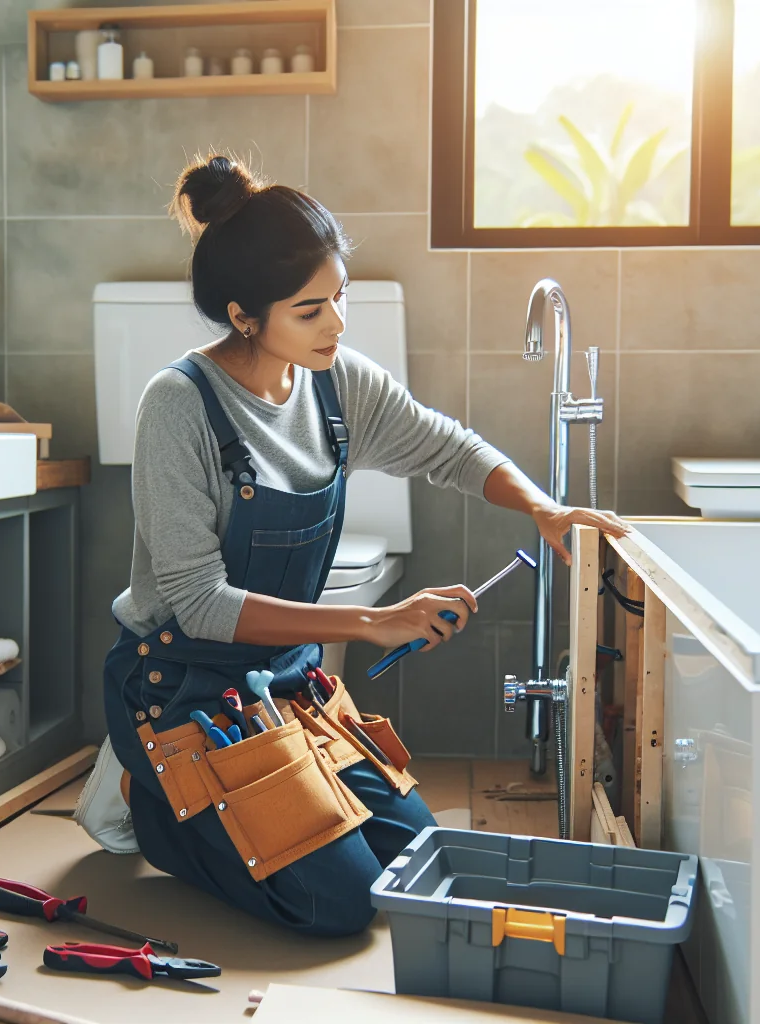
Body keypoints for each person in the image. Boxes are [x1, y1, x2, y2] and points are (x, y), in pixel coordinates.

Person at [98, 154, 628, 937]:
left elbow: (450, 448)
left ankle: (246, 794)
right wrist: (376, 621)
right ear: (246, 315)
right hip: (181, 690)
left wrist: (543, 509)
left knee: (414, 859)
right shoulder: (178, 407)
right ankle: (157, 807)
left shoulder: (338, 381)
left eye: (339, 297)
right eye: (311, 311)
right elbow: (202, 605)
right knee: (338, 902)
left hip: (284, 684)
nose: (338, 325)